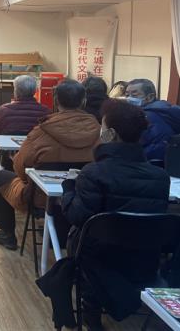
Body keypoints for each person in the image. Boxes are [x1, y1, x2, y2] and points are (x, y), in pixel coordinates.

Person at [60, 99, 170, 330]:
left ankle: (90, 309)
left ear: (109, 134)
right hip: (144, 258)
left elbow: (77, 216)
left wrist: (68, 189)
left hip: (97, 259)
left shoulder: (93, 173)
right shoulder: (160, 177)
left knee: (81, 234)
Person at [0, 80, 100, 250]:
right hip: (85, 196)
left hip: (42, 197)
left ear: (56, 100)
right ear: (84, 101)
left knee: (0, 176)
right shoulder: (99, 130)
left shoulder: (42, 130)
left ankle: (7, 234)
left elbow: (20, 167)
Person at [0, 75, 51, 175]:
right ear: (35, 91)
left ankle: (0, 180)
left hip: (7, 159)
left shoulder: (4, 110)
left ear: (15, 91)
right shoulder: (46, 112)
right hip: (35, 159)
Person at [125, 78, 180, 165]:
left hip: (149, 163)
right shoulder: (165, 112)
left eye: (134, 95)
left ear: (150, 97)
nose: (129, 99)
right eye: (127, 95)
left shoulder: (146, 116)